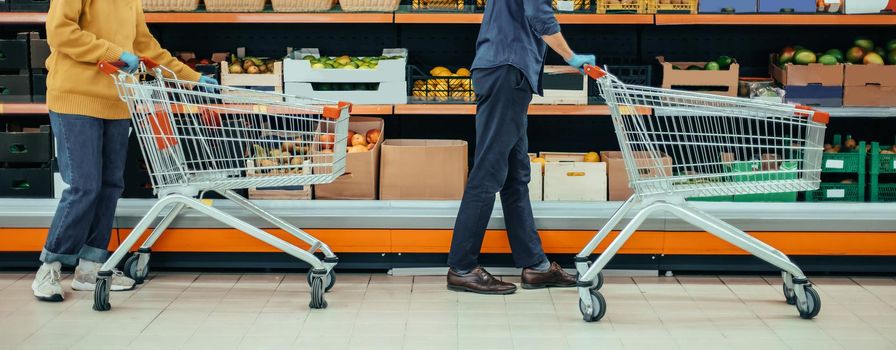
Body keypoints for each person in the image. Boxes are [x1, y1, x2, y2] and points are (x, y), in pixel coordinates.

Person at [32, 0, 217, 302]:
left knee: (109, 186)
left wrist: (192, 79)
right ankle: (50, 266)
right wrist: (115, 54)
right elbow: (60, 31)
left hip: (117, 102)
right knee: (84, 186)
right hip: (75, 98)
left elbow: (147, 47)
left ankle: (90, 267)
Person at [447, 0, 596, 294]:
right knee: (488, 172)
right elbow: (539, 16)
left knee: (516, 176)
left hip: (505, 71)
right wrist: (571, 57)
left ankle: (536, 266)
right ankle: (462, 268)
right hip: (507, 70)